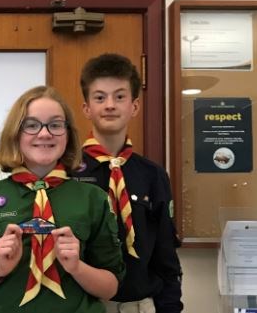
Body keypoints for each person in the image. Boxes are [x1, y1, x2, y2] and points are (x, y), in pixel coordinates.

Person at [0, 85, 124, 313]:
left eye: (55, 125)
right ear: (15, 133)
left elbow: (110, 287)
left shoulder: (93, 199)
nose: (44, 134)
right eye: (31, 125)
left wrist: (77, 267)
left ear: (68, 134)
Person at [77, 53, 182, 313]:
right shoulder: (67, 173)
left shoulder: (153, 175)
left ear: (134, 106)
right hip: (83, 306)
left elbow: (165, 257)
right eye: (100, 97)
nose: (110, 105)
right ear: (86, 108)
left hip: (139, 306)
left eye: (120, 96)